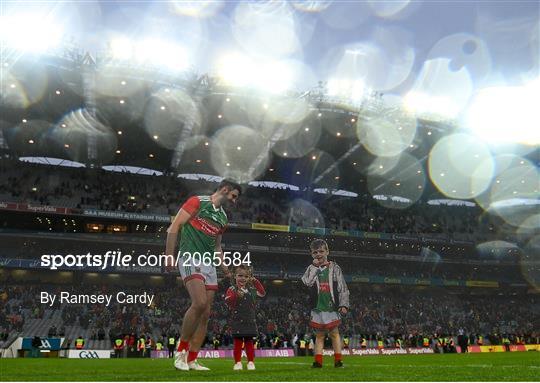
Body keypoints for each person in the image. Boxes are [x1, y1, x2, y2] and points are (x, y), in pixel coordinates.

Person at [165, 179, 241, 371]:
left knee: (206, 314)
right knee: (199, 303)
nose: (234, 201)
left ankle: (192, 359)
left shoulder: (223, 217)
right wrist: (168, 256)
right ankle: (180, 353)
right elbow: (174, 227)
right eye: (233, 196)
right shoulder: (197, 202)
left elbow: (217, 246)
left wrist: (223, 267)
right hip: (190, 257)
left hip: (209, 265)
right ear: (224, 189)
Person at [302, 239, 350, 368]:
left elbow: (342, 287)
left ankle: (338, 361)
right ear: (312, 254)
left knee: (334, 333)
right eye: (315, 252)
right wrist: (314, 267)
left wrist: (344, 305)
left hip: (331, 307)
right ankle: (318, 362)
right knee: (319, 335)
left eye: (321, 251)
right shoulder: (311, 268)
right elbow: (307, 282)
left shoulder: (335, 268)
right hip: (317, 307)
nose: (318, 254)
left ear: (327, 252)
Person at [225, 265, 266, 370]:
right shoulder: (232, 289)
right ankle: (237, 362)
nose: (243, 278)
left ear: (249, 278)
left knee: (249, 342)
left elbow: (262, 293)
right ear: (235, 276)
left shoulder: (252, 289)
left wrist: (255, 281)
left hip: (250, 320)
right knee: (238, 343)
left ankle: (251, 362)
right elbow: (228, 301)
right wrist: (236, 296)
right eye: (240, 275)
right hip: (237, 320)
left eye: (246, 276)